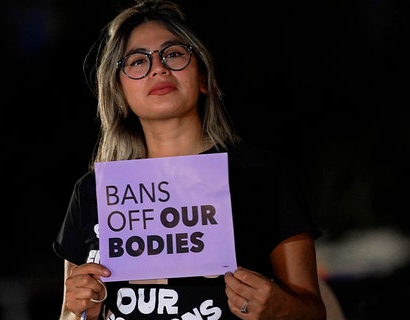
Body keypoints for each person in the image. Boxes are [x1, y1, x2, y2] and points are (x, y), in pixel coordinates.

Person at [52, 0, 326, 319]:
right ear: (119, 92)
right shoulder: (92, 192)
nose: (159, 67)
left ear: (203, 78)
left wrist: (280, 308)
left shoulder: (265, 175)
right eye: (138, 61)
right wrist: (83, 311)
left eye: (174, 54)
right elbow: (69, 315)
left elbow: (314, 312)